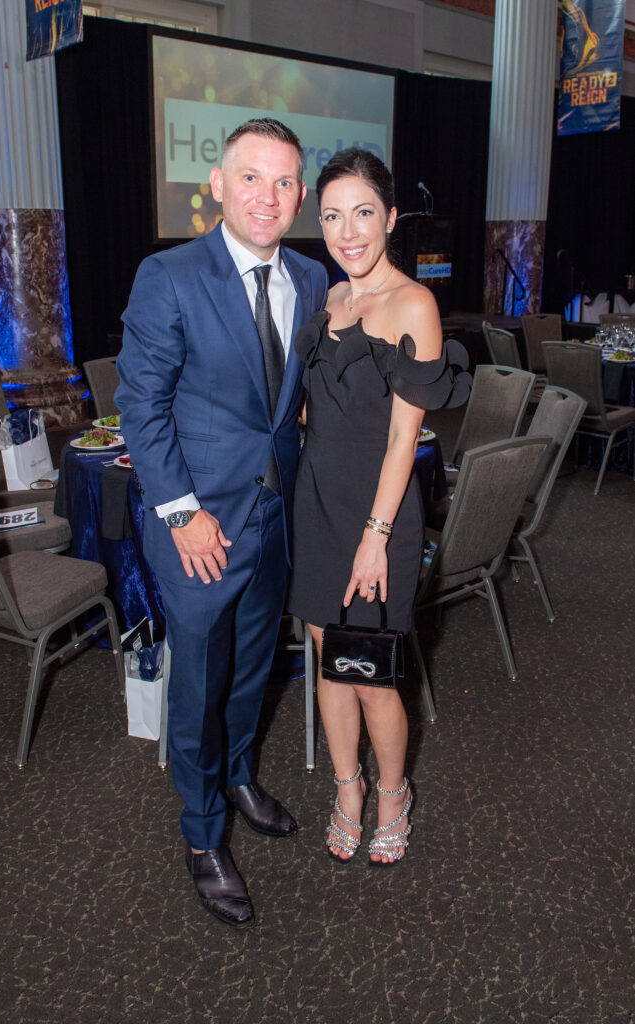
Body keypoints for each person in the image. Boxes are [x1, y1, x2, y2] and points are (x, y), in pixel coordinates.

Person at [116, 118, 328, 927]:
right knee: (199, 682)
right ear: (217, 185)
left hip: (273, 518)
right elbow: (142, 404)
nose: (266, 197)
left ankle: (238, 776)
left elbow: (285, 398)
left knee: (249, 669)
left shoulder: (309, 279)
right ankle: (203, 832)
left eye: (282, 183)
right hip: (197, 527)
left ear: (299, 196)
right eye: (250, 178)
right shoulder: (168, 275)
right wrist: (181, 515)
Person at [288, 148, 470, 867]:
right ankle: (346, 787)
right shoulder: (330, 299)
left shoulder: (412, 304)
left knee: (371, 674)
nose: (347, 230)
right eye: (331, 216)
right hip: (315, 504)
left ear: (390, 217)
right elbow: (318, 409)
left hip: (377, 516)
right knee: (326, 659)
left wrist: (375, 536)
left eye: (362, 212)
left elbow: (404, 436)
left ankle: (393, 791)